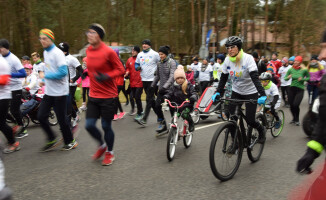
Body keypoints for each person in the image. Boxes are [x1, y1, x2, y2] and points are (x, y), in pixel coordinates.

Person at [211, 36, 267, 143]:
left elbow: (255, 78)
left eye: (232, 47)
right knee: (231, 118)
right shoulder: (227, 60)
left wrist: (262, 94)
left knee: (250, 121)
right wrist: (218, 92)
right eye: (227, 48)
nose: (229, 50)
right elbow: (223, 78)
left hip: (251, 92)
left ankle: (261, 130)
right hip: (236, 91)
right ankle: (235, 142)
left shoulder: (248, 59)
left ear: (239, 47)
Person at [84, 23, 125, 166]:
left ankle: (110, 152)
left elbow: (121, 69)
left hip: (108, 96)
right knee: (89, 125)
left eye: (92, 32)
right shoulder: (88, 50)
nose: (89, 35)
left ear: (99, 35)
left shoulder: (109, 52)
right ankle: (102, 146)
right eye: (88, 32)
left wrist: (107, 76)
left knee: (106, 126)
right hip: (94, 95)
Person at [295, 29, 326, 199]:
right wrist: (312, 151)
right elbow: (324, 117)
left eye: (325, 48)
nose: (321, 56)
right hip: (313, 87)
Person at [37, 28, 77, 151]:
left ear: (51, 39)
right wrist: (43, 81)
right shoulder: (45, 52)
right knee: (41, 116)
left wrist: (45, 76)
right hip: (49, 92)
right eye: (41, 39)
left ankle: (70, 141)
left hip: (60, 92)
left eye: (45, 39)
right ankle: (52, 138)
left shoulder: (57, 53)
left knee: (62, 119)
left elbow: (63, 72)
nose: (42, 41)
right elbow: (49, 69)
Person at [0, 39, 27, 138]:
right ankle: (16, 124)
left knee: (14, 110)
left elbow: (23, 74)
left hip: (16, 88)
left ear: (5, 48)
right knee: (4, 112)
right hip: (5, 89)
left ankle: (23, 129)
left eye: (0, 48)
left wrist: (9, 74)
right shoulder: (0, 57)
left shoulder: (14, 59)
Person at [151, 46, 177, 135]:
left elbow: (172, 76)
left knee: (171, 108)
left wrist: (165, 86)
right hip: (162, 89)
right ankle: (163, 124)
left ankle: (174, 125)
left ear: (166, 54)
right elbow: (157, 76)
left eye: (161, 54)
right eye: (159, 54)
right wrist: (152, 85)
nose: (160, 56)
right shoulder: (159, 63)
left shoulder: (171, 62)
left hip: (170, 89)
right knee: (157, 105)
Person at [163, 65, 197, 132]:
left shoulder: (188, 85)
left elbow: (194, 93)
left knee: (184, 114)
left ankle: (191, 123)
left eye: (182, 78)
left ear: (184, 78)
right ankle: (174, 130)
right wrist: (166, 97)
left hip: (187, 105)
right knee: (175, 117)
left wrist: (193, 97)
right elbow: (170, 93)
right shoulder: (173, 86)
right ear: (175, 79)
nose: (180, 79)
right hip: (177, 105)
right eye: (178, 78)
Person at [134, 39, 160, 126]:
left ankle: (144, 119)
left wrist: (157, 71)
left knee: (148, 99)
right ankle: (160, 117)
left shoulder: (155, 54)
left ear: (149, 45)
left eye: (146, 44)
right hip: (144, 79)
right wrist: (137, 67)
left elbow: (160, 63)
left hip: (152, 79)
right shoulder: (140, 55)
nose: (144, 45)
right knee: (151, 100)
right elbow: (136, 64)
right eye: (143, 44)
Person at [58, 42, 82, 128]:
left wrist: (74, 79)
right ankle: (75, 116)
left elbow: (80, 71)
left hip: (71, 86)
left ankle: (68, 124)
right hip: (62, 85)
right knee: (66, 103)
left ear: (64, 51)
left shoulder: (72, 59)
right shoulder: (58, 59)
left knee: (67, 104)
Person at [0, 56, 20, 153]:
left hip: (3, 96)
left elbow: (4, 80)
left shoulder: (2, 62)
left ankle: (13, 143)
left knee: (1, 123)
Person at [284, 56, 310, 126]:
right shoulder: (291, 69)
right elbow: (285, 78)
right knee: (291, 105)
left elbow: (308, 78)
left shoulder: (304, 70)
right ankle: (294, 118)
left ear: (300, 62)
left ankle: (297, 119)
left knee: (296, 104)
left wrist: (302, 79)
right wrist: (288, 77)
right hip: (292, 89)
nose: (295, 62)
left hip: (300, 89)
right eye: (295, 61)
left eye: (297, 61)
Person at [125, 46, 143, 117]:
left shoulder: (141, 60)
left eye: (134, 51)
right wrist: (127, 72)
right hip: (132, 82)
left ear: (137, 52)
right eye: (132, 50)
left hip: (140, 82)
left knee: (137, 97)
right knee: (131, 97)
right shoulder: (129, 60)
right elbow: (127, 69)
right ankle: (133, 109)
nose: (132, 52)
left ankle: (140, 111)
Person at [113, 49, 126, 120]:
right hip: (114, 82)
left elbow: (123, 71)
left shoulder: (120, 61)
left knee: (114, 98)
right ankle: (121, 112)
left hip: (120, 82)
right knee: (116, 98)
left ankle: (115, 114)